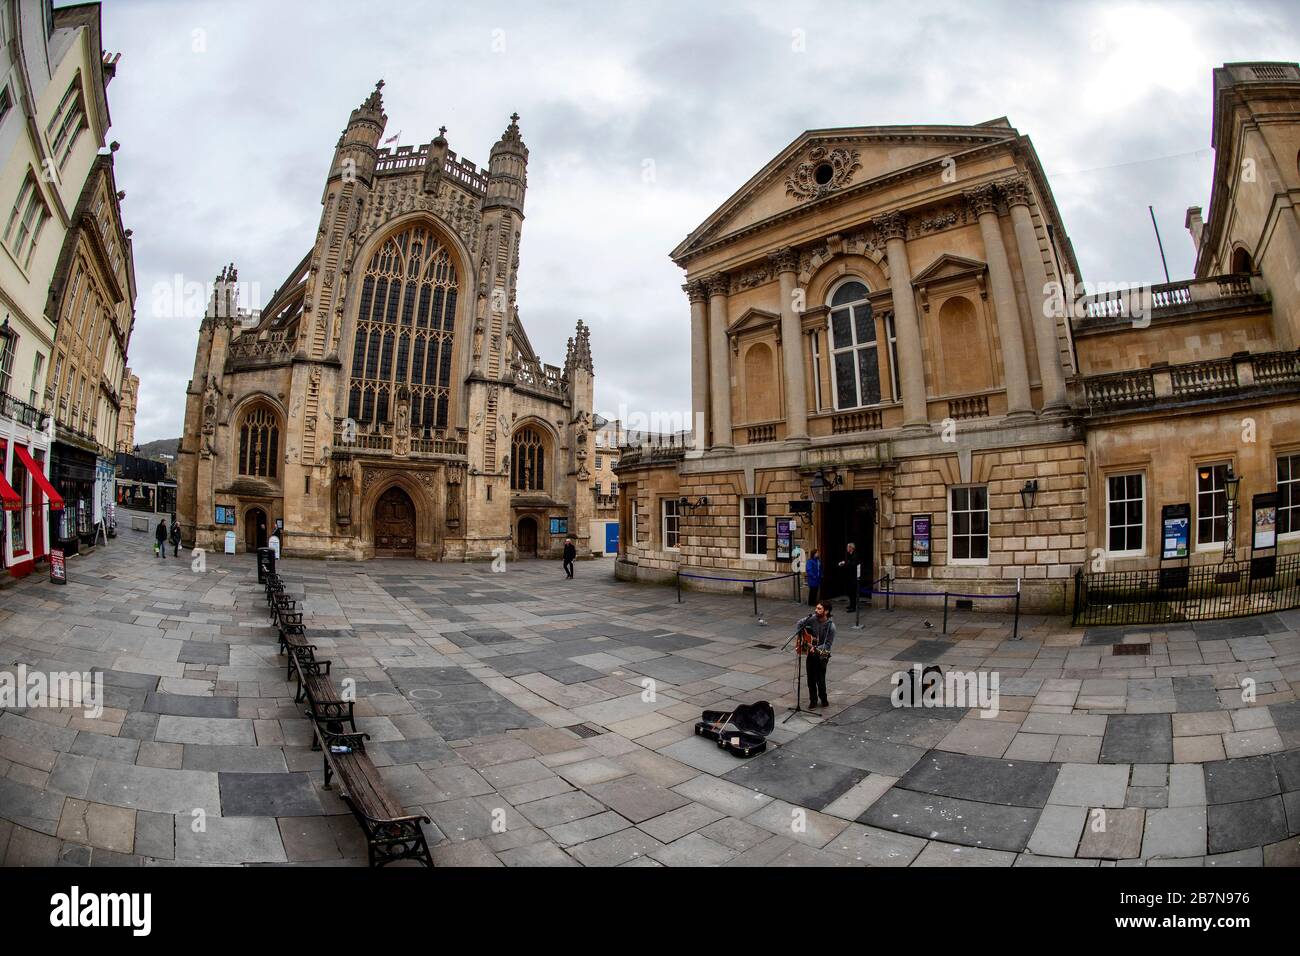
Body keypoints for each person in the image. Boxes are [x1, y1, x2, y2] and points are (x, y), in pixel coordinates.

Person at [795, 601, 835, 708]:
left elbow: (828, 644)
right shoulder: (812, 619)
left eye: (819, 609)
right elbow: (799, 624)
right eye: (816, 608)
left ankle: (824, 699)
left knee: (820, 679)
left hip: (822, 655)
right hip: (811, 653)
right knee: (810, 679)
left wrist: (816, 648)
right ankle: (813, 700)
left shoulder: (831, 627)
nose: (816, 610)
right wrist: (804, 637)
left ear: (826, 611)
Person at [838, 542, 861, 612]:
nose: (847, 548)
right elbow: (848, 562)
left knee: (853, 593)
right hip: (849, 577)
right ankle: (851, 605)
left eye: (848, 547)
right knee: (850, 592)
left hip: (853, 578)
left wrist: (844, 563)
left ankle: (853, 607)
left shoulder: (855, 555)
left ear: (851, 548)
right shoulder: (850, 555)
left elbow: (853, 565)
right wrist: (843, 563)